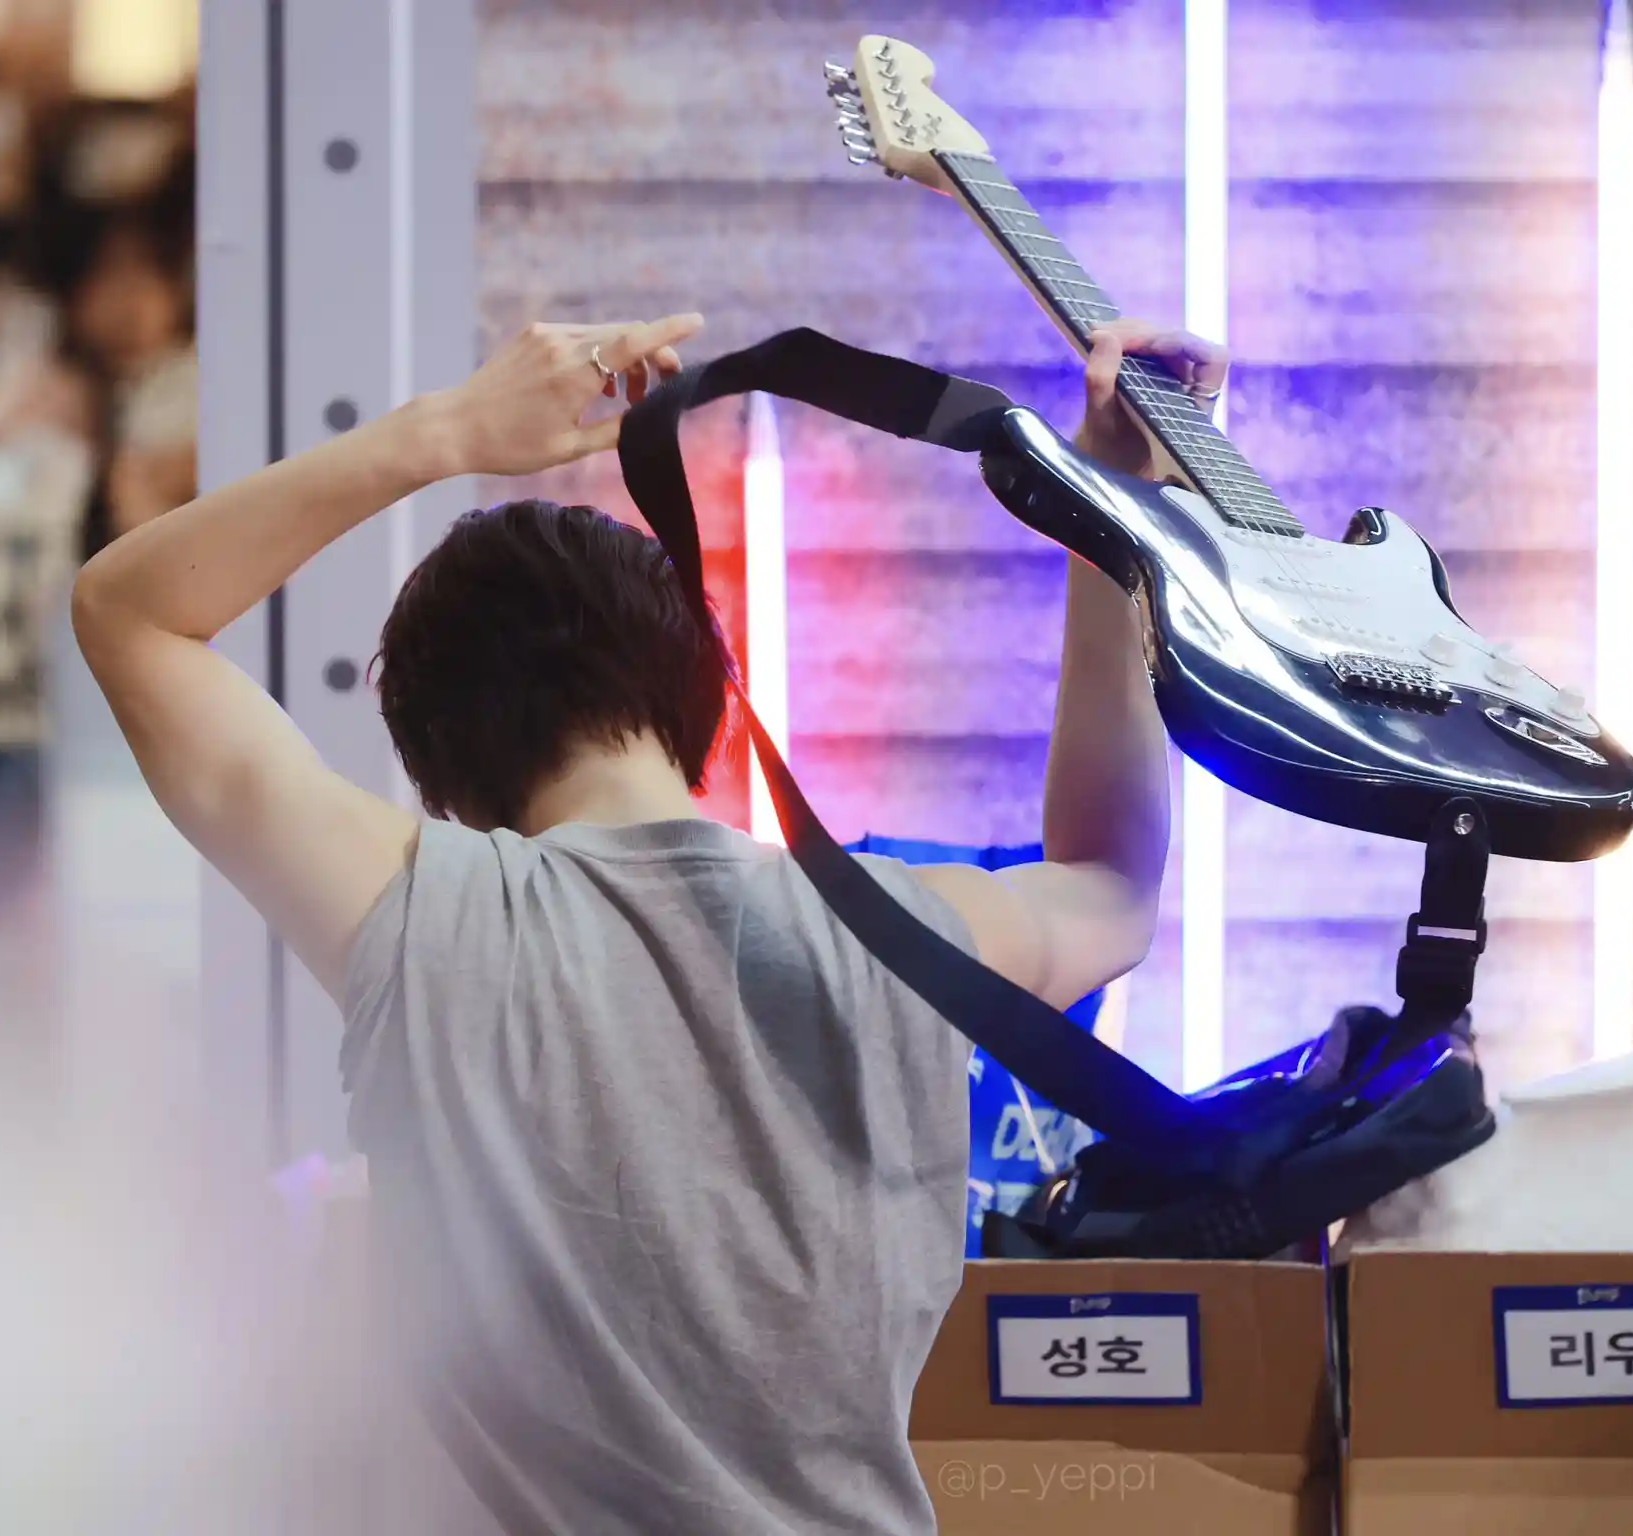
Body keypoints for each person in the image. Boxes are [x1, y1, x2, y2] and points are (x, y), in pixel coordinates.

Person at [72, 313, 1228, 1534]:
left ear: (446, 780)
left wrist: (448, 432)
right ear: (699, 702)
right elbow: (1110, 884)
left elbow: (127, 615)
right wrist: (1112, 508)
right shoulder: (904, 932)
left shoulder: (428, 917)